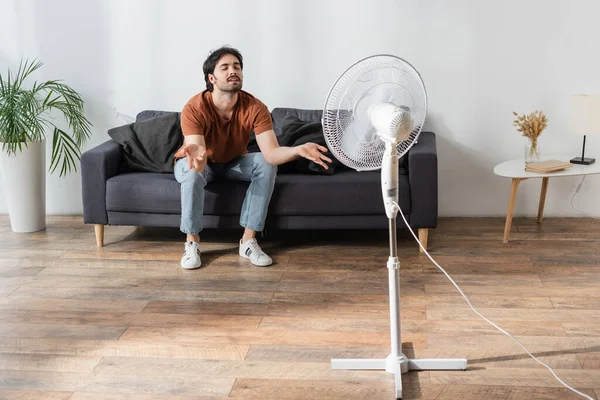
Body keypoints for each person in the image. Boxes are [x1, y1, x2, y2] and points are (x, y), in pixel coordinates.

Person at [173, 46, 332, 270]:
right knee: (191, 171)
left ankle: (248, 241)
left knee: (265, 164)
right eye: (225, 67)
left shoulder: (255, 107)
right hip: (201, 164)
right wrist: (198, 159)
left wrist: (297, 150)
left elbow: (272, 154)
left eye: (237, 66)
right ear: (212, 78)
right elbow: (197, 159)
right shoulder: (195, 107)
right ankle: (192, 243)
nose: (233, 71)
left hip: (233, 162)